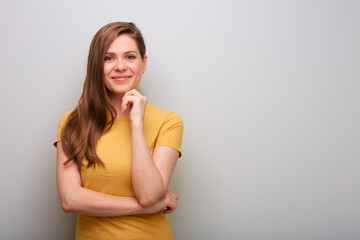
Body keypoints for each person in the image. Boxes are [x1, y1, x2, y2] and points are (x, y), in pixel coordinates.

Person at [54, 22, 183, 240]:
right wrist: (144, 208)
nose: (120, 66)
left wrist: (137, 124)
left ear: (144, 63)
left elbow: (150, 195)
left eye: (130, 57)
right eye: (109, 57)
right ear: (97, 65)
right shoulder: (72, 121)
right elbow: (70, 199)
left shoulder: (168, 122)